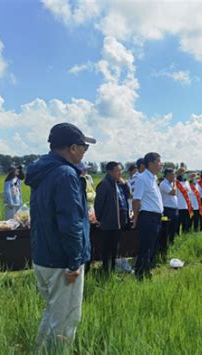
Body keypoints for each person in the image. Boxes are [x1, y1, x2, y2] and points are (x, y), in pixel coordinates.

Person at [25, 122, 96, 350]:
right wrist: (74, 262)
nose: (85, 151)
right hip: (62, 260)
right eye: (84, 146)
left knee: (53, 313)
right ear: (72, 147)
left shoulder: (43, 171)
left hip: (44, 255)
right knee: (66, 322)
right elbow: (70, 222)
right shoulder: (65, 174)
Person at [94, 162, 130, 275]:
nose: (120, 173)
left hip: (119, 222)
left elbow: (127, 195)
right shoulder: (104, 184)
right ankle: (106, 271)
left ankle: (112, 270)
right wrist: (101, 219)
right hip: (109, 222)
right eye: (117, 171)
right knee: (107, 248)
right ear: (110, 172)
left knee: (115, 248)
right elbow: (98, 205)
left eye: (121, 170)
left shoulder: (117, 184)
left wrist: (124, 185)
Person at [132, 152, 163, 279]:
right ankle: (140, 273)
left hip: (155, 217)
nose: (161, 165)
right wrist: (135, 218)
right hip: (147, 217)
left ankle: (146, 270)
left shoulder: (152, 178)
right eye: (159, 162)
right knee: (146, 247)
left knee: (152, 247)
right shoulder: (142, 178)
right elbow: (136, 200)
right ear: (151, 164)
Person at [159, 168, 178, 252]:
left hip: (174, 209)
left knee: (173, 228)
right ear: (168, 175)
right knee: (167, 229)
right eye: (173, 174)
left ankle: (171, 243)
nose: (174, 176)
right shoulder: (164, 184)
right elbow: (172, 192)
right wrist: (174, 184)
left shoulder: (171, 183)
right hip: (167, 209)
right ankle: (164, 246)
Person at [175, 167, 193, 235]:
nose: (186, 174)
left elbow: (189, 193)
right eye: (185, 173)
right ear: (180, 174)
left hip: (186, 206)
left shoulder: (187, 182)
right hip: (179, 206)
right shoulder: (176, 183)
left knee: (186, 223)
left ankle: (184, 236)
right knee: (177, 224)